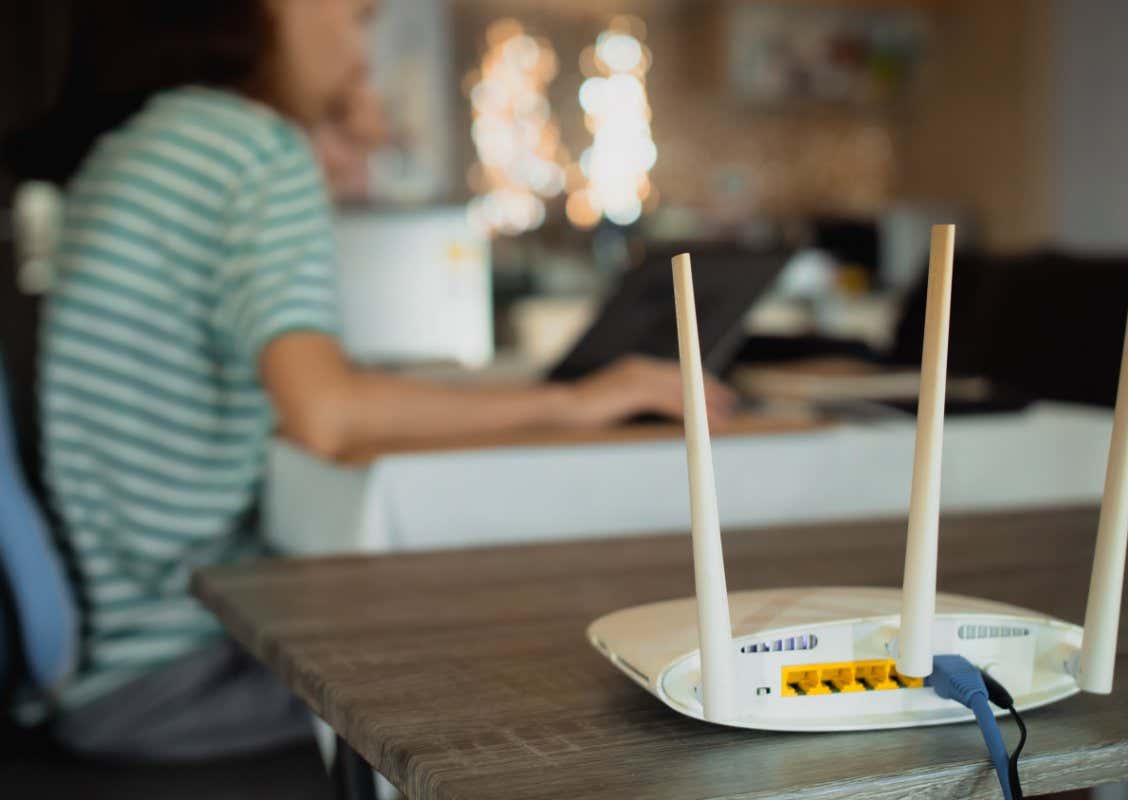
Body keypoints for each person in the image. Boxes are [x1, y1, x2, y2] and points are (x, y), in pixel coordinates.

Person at [11, 0, 735, 761]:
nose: (366, 44)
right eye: (358, 15)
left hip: (115, 660)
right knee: (577, 673)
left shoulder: (144, 144)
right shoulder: (246, 146)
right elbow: (327, 413)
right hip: (177, 670)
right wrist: (579, 402)